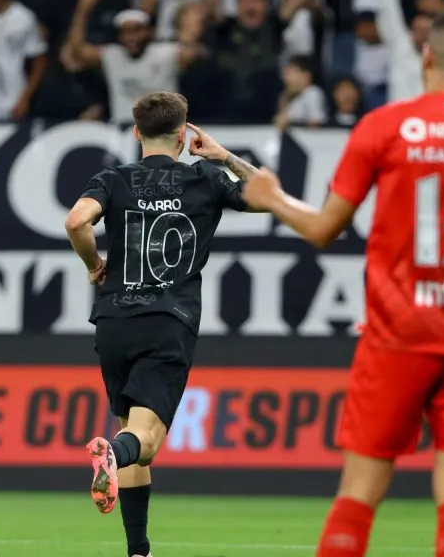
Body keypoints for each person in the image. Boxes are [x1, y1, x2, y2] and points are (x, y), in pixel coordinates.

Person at [239, 11, 444, 557]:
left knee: (359, 494)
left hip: (397, 333)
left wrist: (272, 197)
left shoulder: (385, 126)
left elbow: (324, 229)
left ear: (426, 57)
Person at [64, 91, 263, 557]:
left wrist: (94, 263)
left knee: (130, 426)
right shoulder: (206, 179)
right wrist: (225, 156)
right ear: (183, 133)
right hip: (167, 319)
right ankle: (113, 454)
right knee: (143, 443)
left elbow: (76, 222)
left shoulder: (112, 179)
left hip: (113, 319)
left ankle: (138, 550)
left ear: (136, 132)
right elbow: (268, 196)